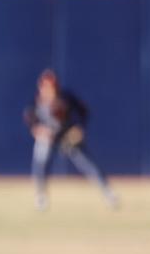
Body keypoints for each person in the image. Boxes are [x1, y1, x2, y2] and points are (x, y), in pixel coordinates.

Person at [23, 69, 117, 211]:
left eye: (53, 86)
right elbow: (32, 122)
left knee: (88, 164)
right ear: (41, 87)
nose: (50, 89)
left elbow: (83, 111)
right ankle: (41, 196)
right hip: (49, 138)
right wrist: (40, 131)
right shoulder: (35, 103)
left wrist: (79, 128)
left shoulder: (66, 98)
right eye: (46, 86)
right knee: (41, 161)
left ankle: (107, 192)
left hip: (67, 136)